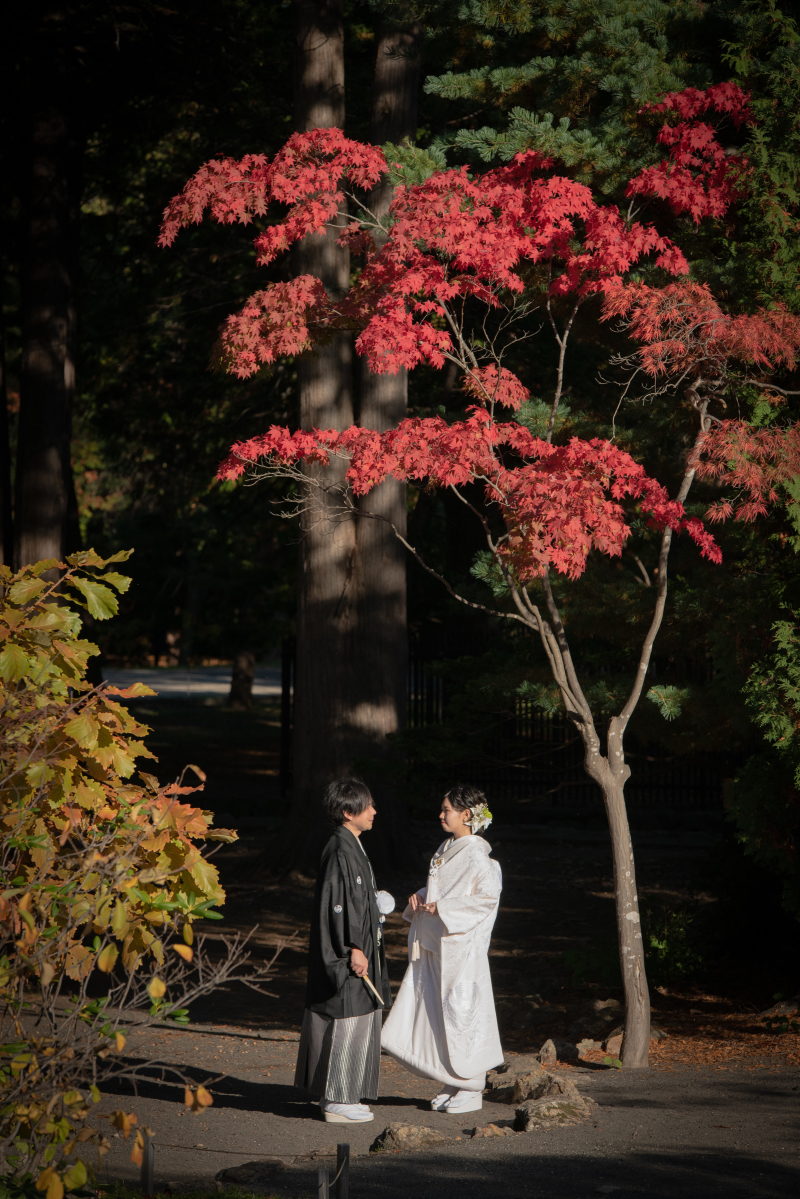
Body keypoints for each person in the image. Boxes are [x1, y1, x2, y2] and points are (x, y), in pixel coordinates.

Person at [380, 784, 503, 1115]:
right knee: (437, 1011)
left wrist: (443, 908)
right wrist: (423, 896)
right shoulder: (447, 847)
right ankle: (452, 1077)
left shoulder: (477, 856)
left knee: (462, 1012)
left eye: (447, 810)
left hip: (461, 949)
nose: (441, 815)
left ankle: (472, 1083)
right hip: (439, 943)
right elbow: (444, 889)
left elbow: (486, 899)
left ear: (466, 814)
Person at [294, 777, 392, 1124]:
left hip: (356, 944)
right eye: (368, 806)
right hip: (347, 950)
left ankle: (342, 1094)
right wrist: (353, 946)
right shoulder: (339, 849)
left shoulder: (350, 844)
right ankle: (337, 1098)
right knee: (347, 1014)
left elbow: (354, 898)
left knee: (356, 1015)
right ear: (349, 812)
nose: (374, 811)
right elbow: (338, 904)